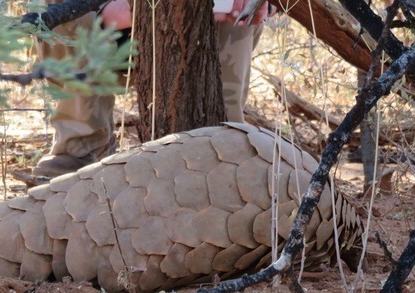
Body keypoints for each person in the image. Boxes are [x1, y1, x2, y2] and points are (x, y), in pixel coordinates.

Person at [33, 0, 270, 177]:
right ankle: (81, 146)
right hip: (108, 36)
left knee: (242, 8)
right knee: (65, 13)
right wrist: (112, 10)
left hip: (200, 35)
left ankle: (221, 150)